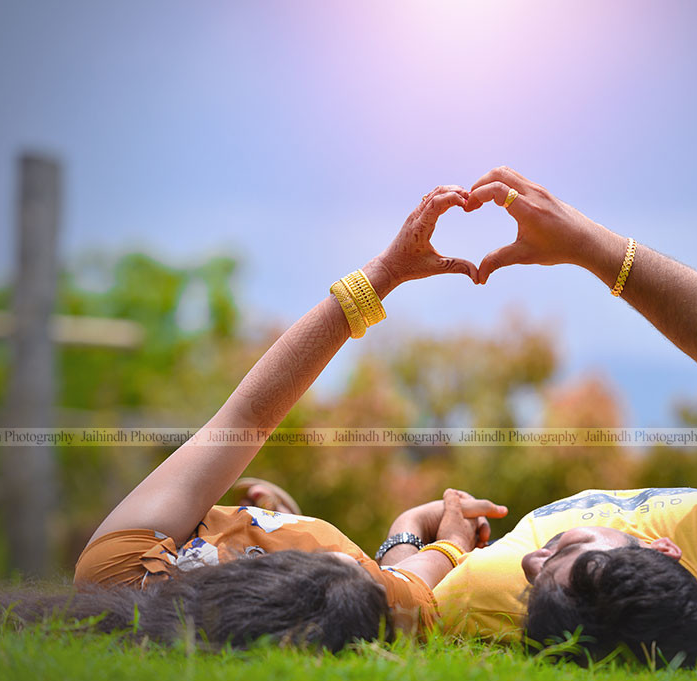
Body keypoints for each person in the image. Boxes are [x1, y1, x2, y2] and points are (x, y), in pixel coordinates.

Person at [422, 167, 697, 668]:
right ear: (665, 550)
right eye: (567, 564)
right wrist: (590, 246)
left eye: (538, 594)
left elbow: (400, 599)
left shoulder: (486, 593)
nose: (531, 565)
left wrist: (432, 541)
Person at [70, 186, 507, 651]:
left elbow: (248, 416)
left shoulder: (126, 577)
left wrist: (384, 273)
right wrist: (446, 537)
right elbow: (412, 581)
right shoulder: (359, 608)